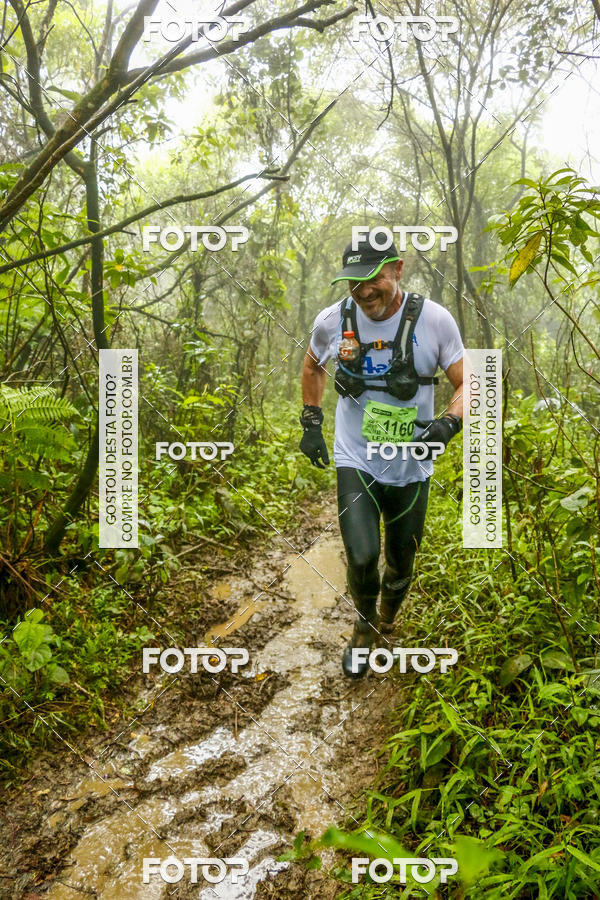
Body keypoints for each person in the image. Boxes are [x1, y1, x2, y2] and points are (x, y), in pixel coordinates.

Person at [299, 232, 465, 678]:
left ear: (397, 269)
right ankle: (364, 626)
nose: (365, 289)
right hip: (357, 457)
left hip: (412, 465)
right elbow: (313, 364)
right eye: (355, 281)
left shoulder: (435, 321)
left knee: (401, 561)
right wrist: (311, 421)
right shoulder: (333, 321)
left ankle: (388, 615)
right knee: (361, 555)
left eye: (374, 277)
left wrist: (448, 424)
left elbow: (471, 383)